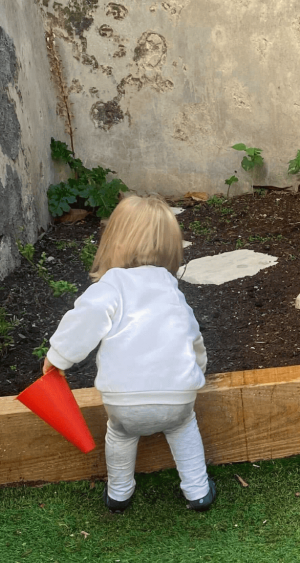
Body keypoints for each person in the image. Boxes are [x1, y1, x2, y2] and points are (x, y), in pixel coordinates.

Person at [42, 195, 216, 511]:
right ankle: (198, 490)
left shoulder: (113, 286)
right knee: (184, 426)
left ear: (115, 243)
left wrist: (58, 358)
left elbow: (86, 320)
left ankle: (119, 493)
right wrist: (198, 370)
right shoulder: (170, 289)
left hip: (125, 403)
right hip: (177, 397)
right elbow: (192, 335)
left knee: (120, 434)